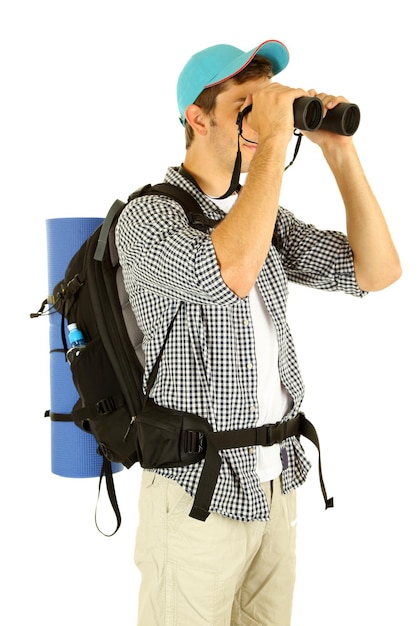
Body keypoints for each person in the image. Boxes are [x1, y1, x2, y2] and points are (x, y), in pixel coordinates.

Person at [116, 39, 401, 626]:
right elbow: (233, 273)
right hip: (197, 492)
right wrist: (272, 140)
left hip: (274, 485)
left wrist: (338, 151)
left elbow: (378, 270)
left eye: (267, 104)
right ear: (197, 119)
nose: (263, 116)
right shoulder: (148, 217)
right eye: (246, 105)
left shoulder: (260, 217)